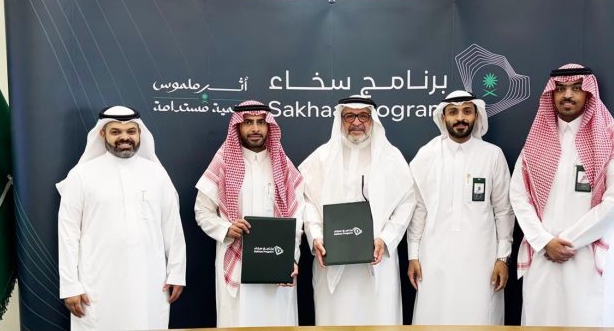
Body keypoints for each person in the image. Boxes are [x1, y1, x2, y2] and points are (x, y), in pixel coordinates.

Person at [510, 64, 614, 326]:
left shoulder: (608, 138)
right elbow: (518, 196)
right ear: (552, 94)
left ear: (588, 93)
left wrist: (568, 242)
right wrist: (544, 241)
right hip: (544, 255)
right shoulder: (537, 141)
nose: (567, 95)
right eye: (561, 89)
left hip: (587, 256)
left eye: (576, 88)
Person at [57, 105, 186, 331]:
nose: (124, 137)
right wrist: (70, 285)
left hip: (149, 282)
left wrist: (176, 272)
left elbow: (172, 227)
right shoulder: (81, 175)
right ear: (102, 134)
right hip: (97, 283)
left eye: (131, 131)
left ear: (139, 133)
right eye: (116, 131)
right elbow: (68, 234)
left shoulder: (157, 174)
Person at [301, 95, 416, 325]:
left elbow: (407, 202)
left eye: (363, 116)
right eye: (349, 116)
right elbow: (306, 201)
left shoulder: (391, 158)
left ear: (373, 120)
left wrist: (386, 238)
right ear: (340, 120)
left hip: (377, 261)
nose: (356, 122)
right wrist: (316, 236)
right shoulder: (321, 158)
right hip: (332, 260)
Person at [407, 90, 514, 325]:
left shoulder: (492, 155)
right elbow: (419, 209)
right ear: (443, 117)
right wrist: (413, 255)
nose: (460, 118)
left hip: (481, 260)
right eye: (453, 112)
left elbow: (503, 211)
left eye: (467, 111)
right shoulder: (426, 155)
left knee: (479, 317)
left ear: (477, 115)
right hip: (434, 257)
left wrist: (502, 258)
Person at [194, 101, 304, 327]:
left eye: (261, 122)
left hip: (277, 259)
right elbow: (202, 211)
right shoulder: (223, 163)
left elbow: (297, 218)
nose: (255, 128)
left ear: (269, 126)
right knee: (239, 321)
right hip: (237, 260)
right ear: (237, 127)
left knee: (276, 321)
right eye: (248, 123)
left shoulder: (283, 166)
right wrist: (226, 228)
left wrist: (291, 258)